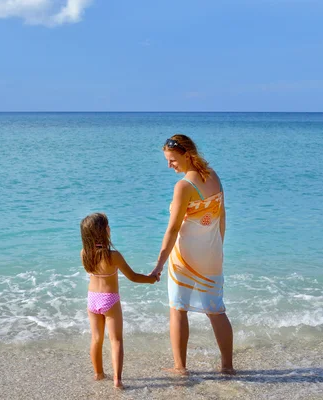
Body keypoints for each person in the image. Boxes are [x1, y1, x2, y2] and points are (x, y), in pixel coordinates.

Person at [150, 134, 235, 375]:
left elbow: (173, 229)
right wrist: (218, 247)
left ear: (187, 155)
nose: (169, 165)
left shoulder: (184, 187)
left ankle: (180, 367)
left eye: (172, 160)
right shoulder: (213, 176)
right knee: (216, 310)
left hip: (184, 257)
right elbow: (222, 217)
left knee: (178, 309)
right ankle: (227, 367)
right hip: (211, 255)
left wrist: (159, 264)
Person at [80, 212, 157, 389]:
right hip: (110, 299)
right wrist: (151, 279)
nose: (109, 228)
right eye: (107, 226)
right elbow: (133, 277)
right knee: (116, 340)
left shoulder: (84, 253)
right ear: (104, 231)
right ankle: (117, 380)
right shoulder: (113, 256)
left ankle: (98, 374)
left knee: (96, 339)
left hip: (92, 299)